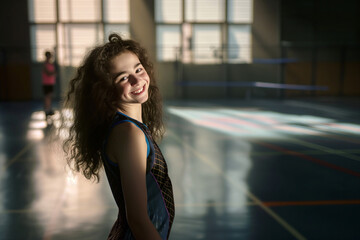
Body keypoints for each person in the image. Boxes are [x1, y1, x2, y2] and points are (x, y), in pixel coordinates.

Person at [62, 33, 175, 240]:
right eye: (123, 77)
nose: (137, 79)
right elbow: (138, 220)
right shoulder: (129, 134)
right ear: (106, 90)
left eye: (138, 69)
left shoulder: (128, 128)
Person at [42, 51, 56, 116]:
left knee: (50, 96)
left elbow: (53, 72)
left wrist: (53, 73)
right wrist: (53, 73)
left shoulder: (51, 64)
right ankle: (46, 110)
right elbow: (48, 73)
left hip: (51, 82)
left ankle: (49, 109)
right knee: (47, 96)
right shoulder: (45, 64)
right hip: (46, 83)